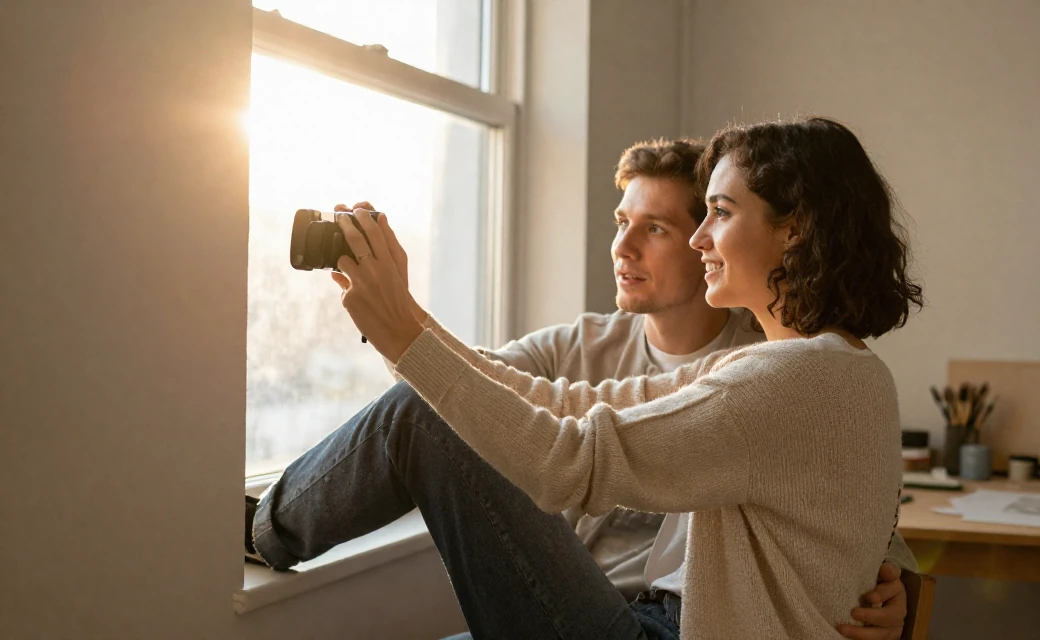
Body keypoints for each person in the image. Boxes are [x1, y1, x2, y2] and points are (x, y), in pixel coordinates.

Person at [248, 129, 920, 638]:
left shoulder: (788, 376)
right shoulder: (823, 368)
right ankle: (262, 527)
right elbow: (564, 405)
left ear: (793, 230)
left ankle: (256, 531)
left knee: (421, 416)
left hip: (662, 626)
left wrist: (401, 334)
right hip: (642, 613)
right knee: (423, 409)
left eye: (717, 212)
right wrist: (408, 324)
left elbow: (568, 460)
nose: (698, 240)